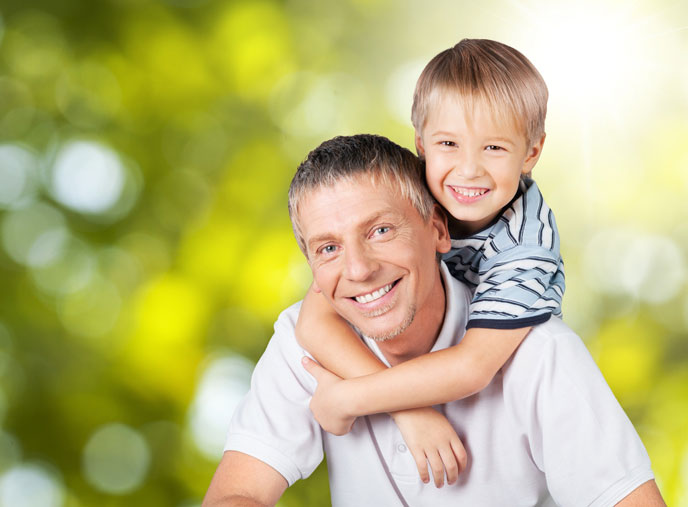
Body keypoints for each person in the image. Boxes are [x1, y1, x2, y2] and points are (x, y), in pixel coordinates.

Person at [203, 134, 663, 506]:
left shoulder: (540, 352)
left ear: (439, 230)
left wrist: (355, 398)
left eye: (380, 231)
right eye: (328, 248)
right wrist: (408, 407)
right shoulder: (301, 345)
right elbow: (238, 493)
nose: (359, 269)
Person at [293, 39, 564, 487]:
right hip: (421, 360)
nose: (468, 170)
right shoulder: (399, 198)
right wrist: (407, 410)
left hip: (499, 388)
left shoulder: (527, 252)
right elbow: (314, 320)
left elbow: (472, 367)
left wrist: (348, 399)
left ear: (531, 153)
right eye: (448, 144)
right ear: (421, 144)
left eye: (494, 148)